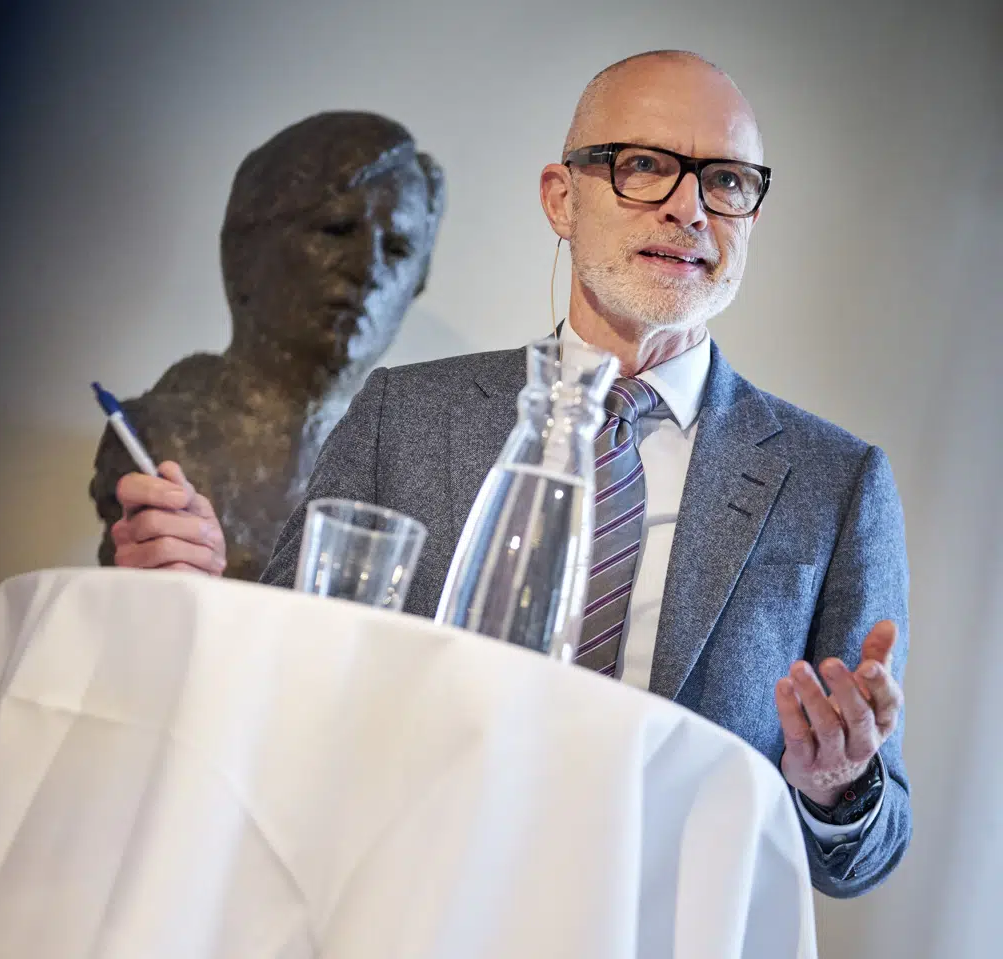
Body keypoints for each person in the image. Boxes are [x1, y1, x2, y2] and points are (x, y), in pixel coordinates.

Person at [108, 50, 909, 898]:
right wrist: (200, 598)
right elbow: (285, 689)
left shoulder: (837, 483)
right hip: (395, 904)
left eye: (728, 181)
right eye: (645, 166)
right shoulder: (403, 413)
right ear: (561, 199)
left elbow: (871, 844)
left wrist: (839, 787)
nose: (689, 207)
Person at [91, 112, 445, 581]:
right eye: (337, 229)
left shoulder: (417, 465)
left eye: (399, 249)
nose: (368, 267)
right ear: (245, 246)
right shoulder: (165, 435)